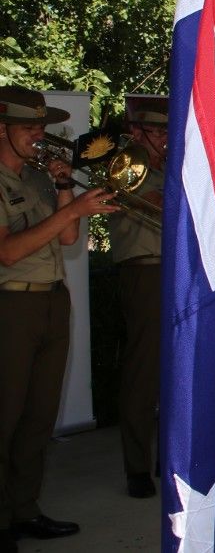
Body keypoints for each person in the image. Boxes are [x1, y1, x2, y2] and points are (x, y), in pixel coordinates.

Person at [0, 86, 119, 552]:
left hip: (51, 300)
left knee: (37, 418)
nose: (39, 135)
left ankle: (24, 509)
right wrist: (70, 208)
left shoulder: (35, 178)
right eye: (29, 127)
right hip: (12, 304)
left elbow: (69, 238)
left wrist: (66, 185)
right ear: (2, 128)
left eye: (42, 127)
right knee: (5, 417)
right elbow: (7, 253)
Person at [107, 96, 168, 499]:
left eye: (166, 132)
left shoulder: (168, 165)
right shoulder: (125, 167)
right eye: (156, 132)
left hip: (176, 269)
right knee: (143, 372)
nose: (163, 139)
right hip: (145, 269)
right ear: (136, 131)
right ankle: (137, 467)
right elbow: (157, 205)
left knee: (176, 371)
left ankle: (169, 456)